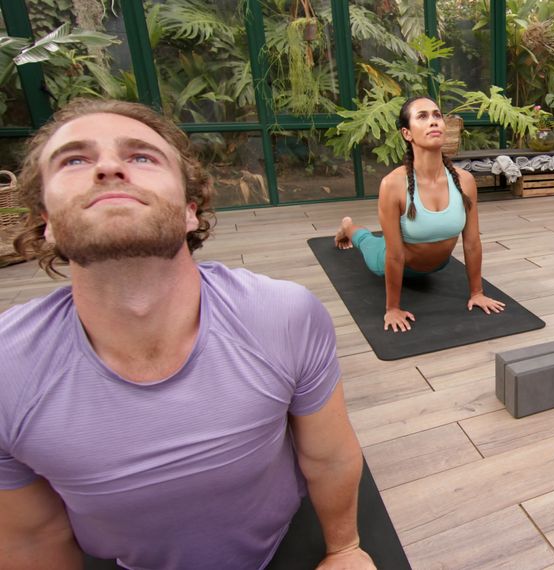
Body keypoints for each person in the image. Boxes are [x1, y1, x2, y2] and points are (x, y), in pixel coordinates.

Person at [0, 99, 374, 569]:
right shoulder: (7, 370)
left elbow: (329, 456)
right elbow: (33, 538)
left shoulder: (283, 314)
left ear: (189, 212)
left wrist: (344, 549)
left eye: (141, 156)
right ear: (45, 222)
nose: (109, 168)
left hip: (283, 542)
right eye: (75, 160)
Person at [335, 96, 504, 332]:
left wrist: (477, 292)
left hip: (439, 264)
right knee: (367, 242)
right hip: (394, 261)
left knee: (383, 239)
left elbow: (472, 243)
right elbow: (394, 256)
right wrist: (392, 308)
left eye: (437, 115)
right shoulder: (392, 185)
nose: (433, 121)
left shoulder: (464, 181)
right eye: (422, 116)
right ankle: (348, 226)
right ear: (407, 134)